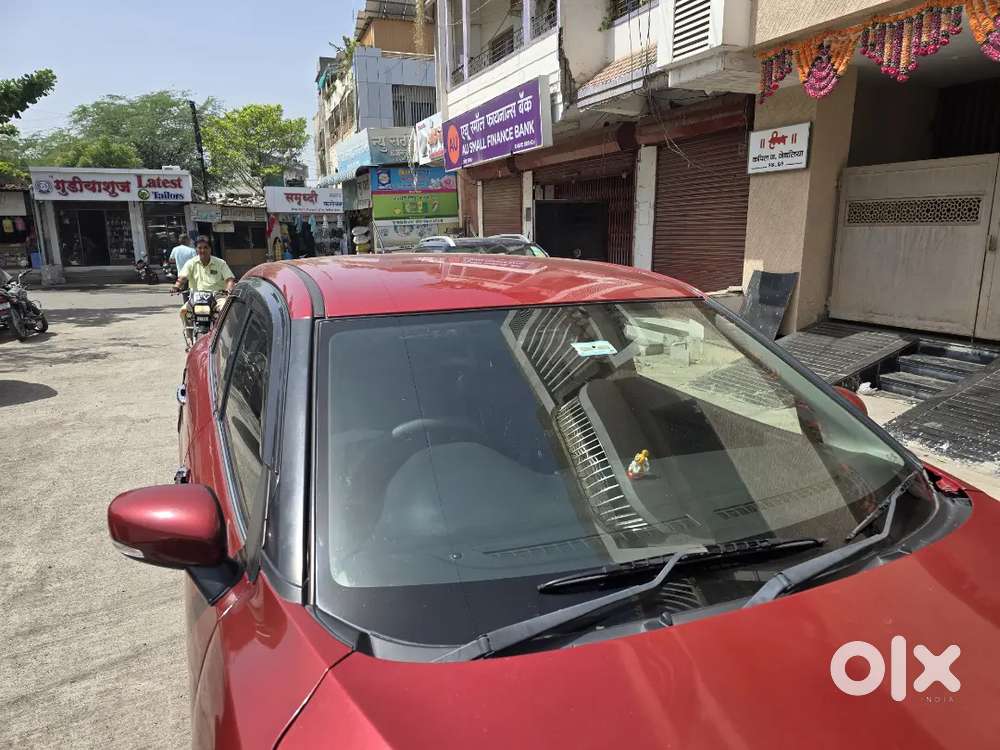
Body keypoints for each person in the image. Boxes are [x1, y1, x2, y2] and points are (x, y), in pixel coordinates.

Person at [172, 235, 235, 324]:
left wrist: (229, 289)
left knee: (226, 310)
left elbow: (229, 279)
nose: (203, 250)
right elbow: (182, 278)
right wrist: (176, 286)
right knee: (183, 311)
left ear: (210, 249)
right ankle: (190, 334)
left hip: (217, 296)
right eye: (200, 248)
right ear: (196, 250)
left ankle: (224, 334)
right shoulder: (191, 263)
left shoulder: (220, 263)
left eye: (206, 247)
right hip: (197, 297)